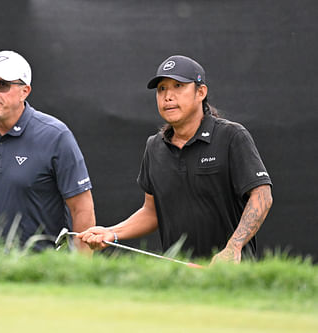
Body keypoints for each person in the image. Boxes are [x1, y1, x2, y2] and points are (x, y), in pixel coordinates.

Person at [78, 55, 273, 263]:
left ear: (201, 92)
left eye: (178, 86)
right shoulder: (154, 147)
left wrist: (233, 247)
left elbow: (262, 195)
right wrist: (112, 232)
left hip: (230, 274)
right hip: (178, 275)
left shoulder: (231, 136)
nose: (168, 96)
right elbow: (151, 212)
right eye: (161, 89)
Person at [0, 50, 95, 252]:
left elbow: (82, 208)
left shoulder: (56, 135)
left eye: (2, 84)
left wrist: (81, 271)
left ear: (25, 91)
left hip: (45, 268)